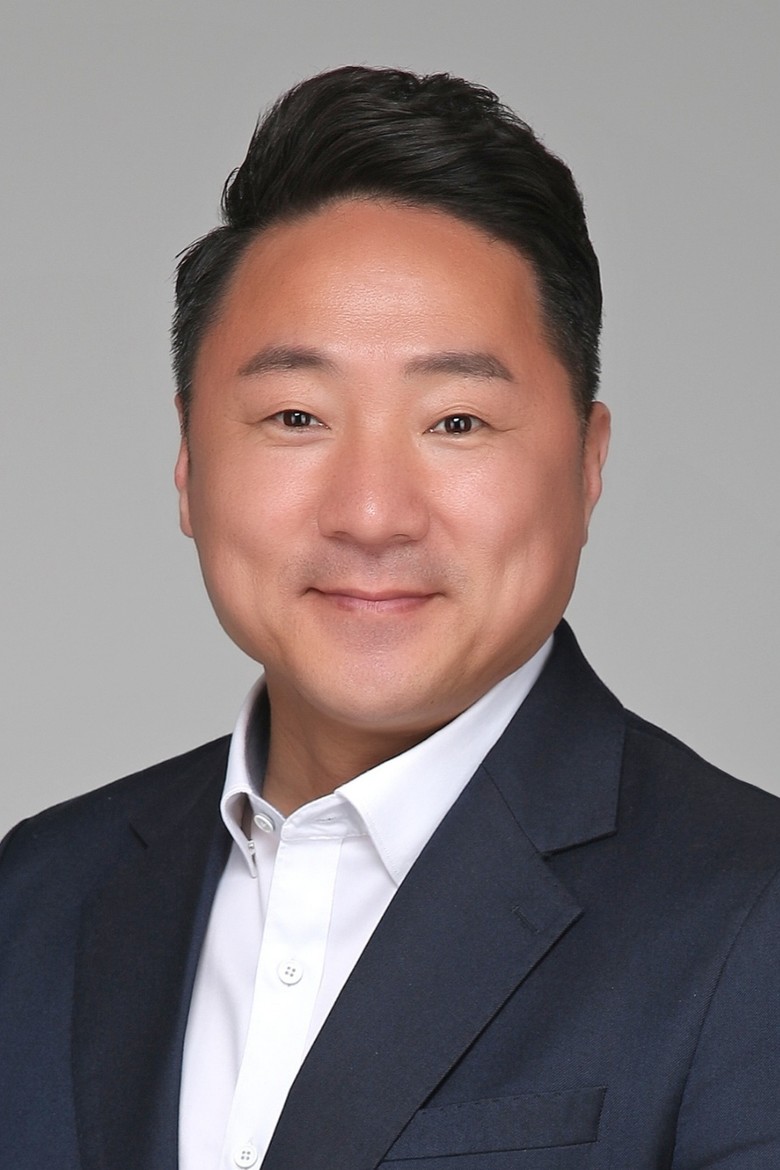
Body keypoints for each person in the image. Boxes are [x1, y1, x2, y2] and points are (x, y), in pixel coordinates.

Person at [1, 65, 778, 1170]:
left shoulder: (751, 916)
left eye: (456, 422)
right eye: (296, 416)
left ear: (588, 463)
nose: (371, 513)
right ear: (187, 462)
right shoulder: (39, 899)